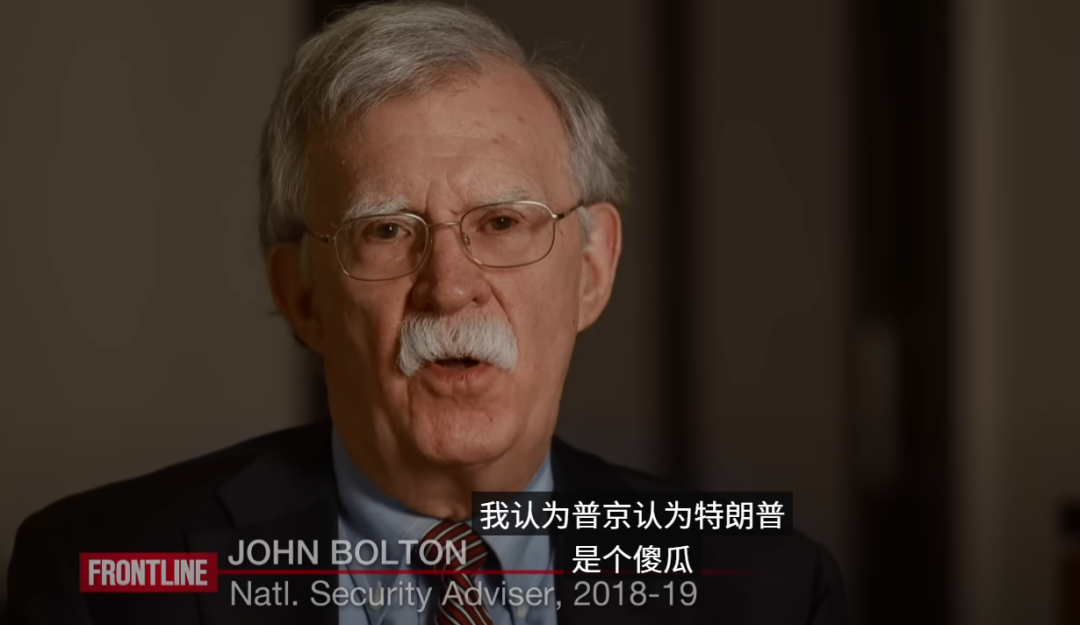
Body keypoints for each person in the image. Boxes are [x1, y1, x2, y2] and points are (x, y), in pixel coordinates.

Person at [7, 3, 848, 623]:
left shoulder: (768, 589)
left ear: (592, 271)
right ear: (304, 295)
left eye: (503, 222)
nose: (449, 287)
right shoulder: (100, 577)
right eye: (385, 231)